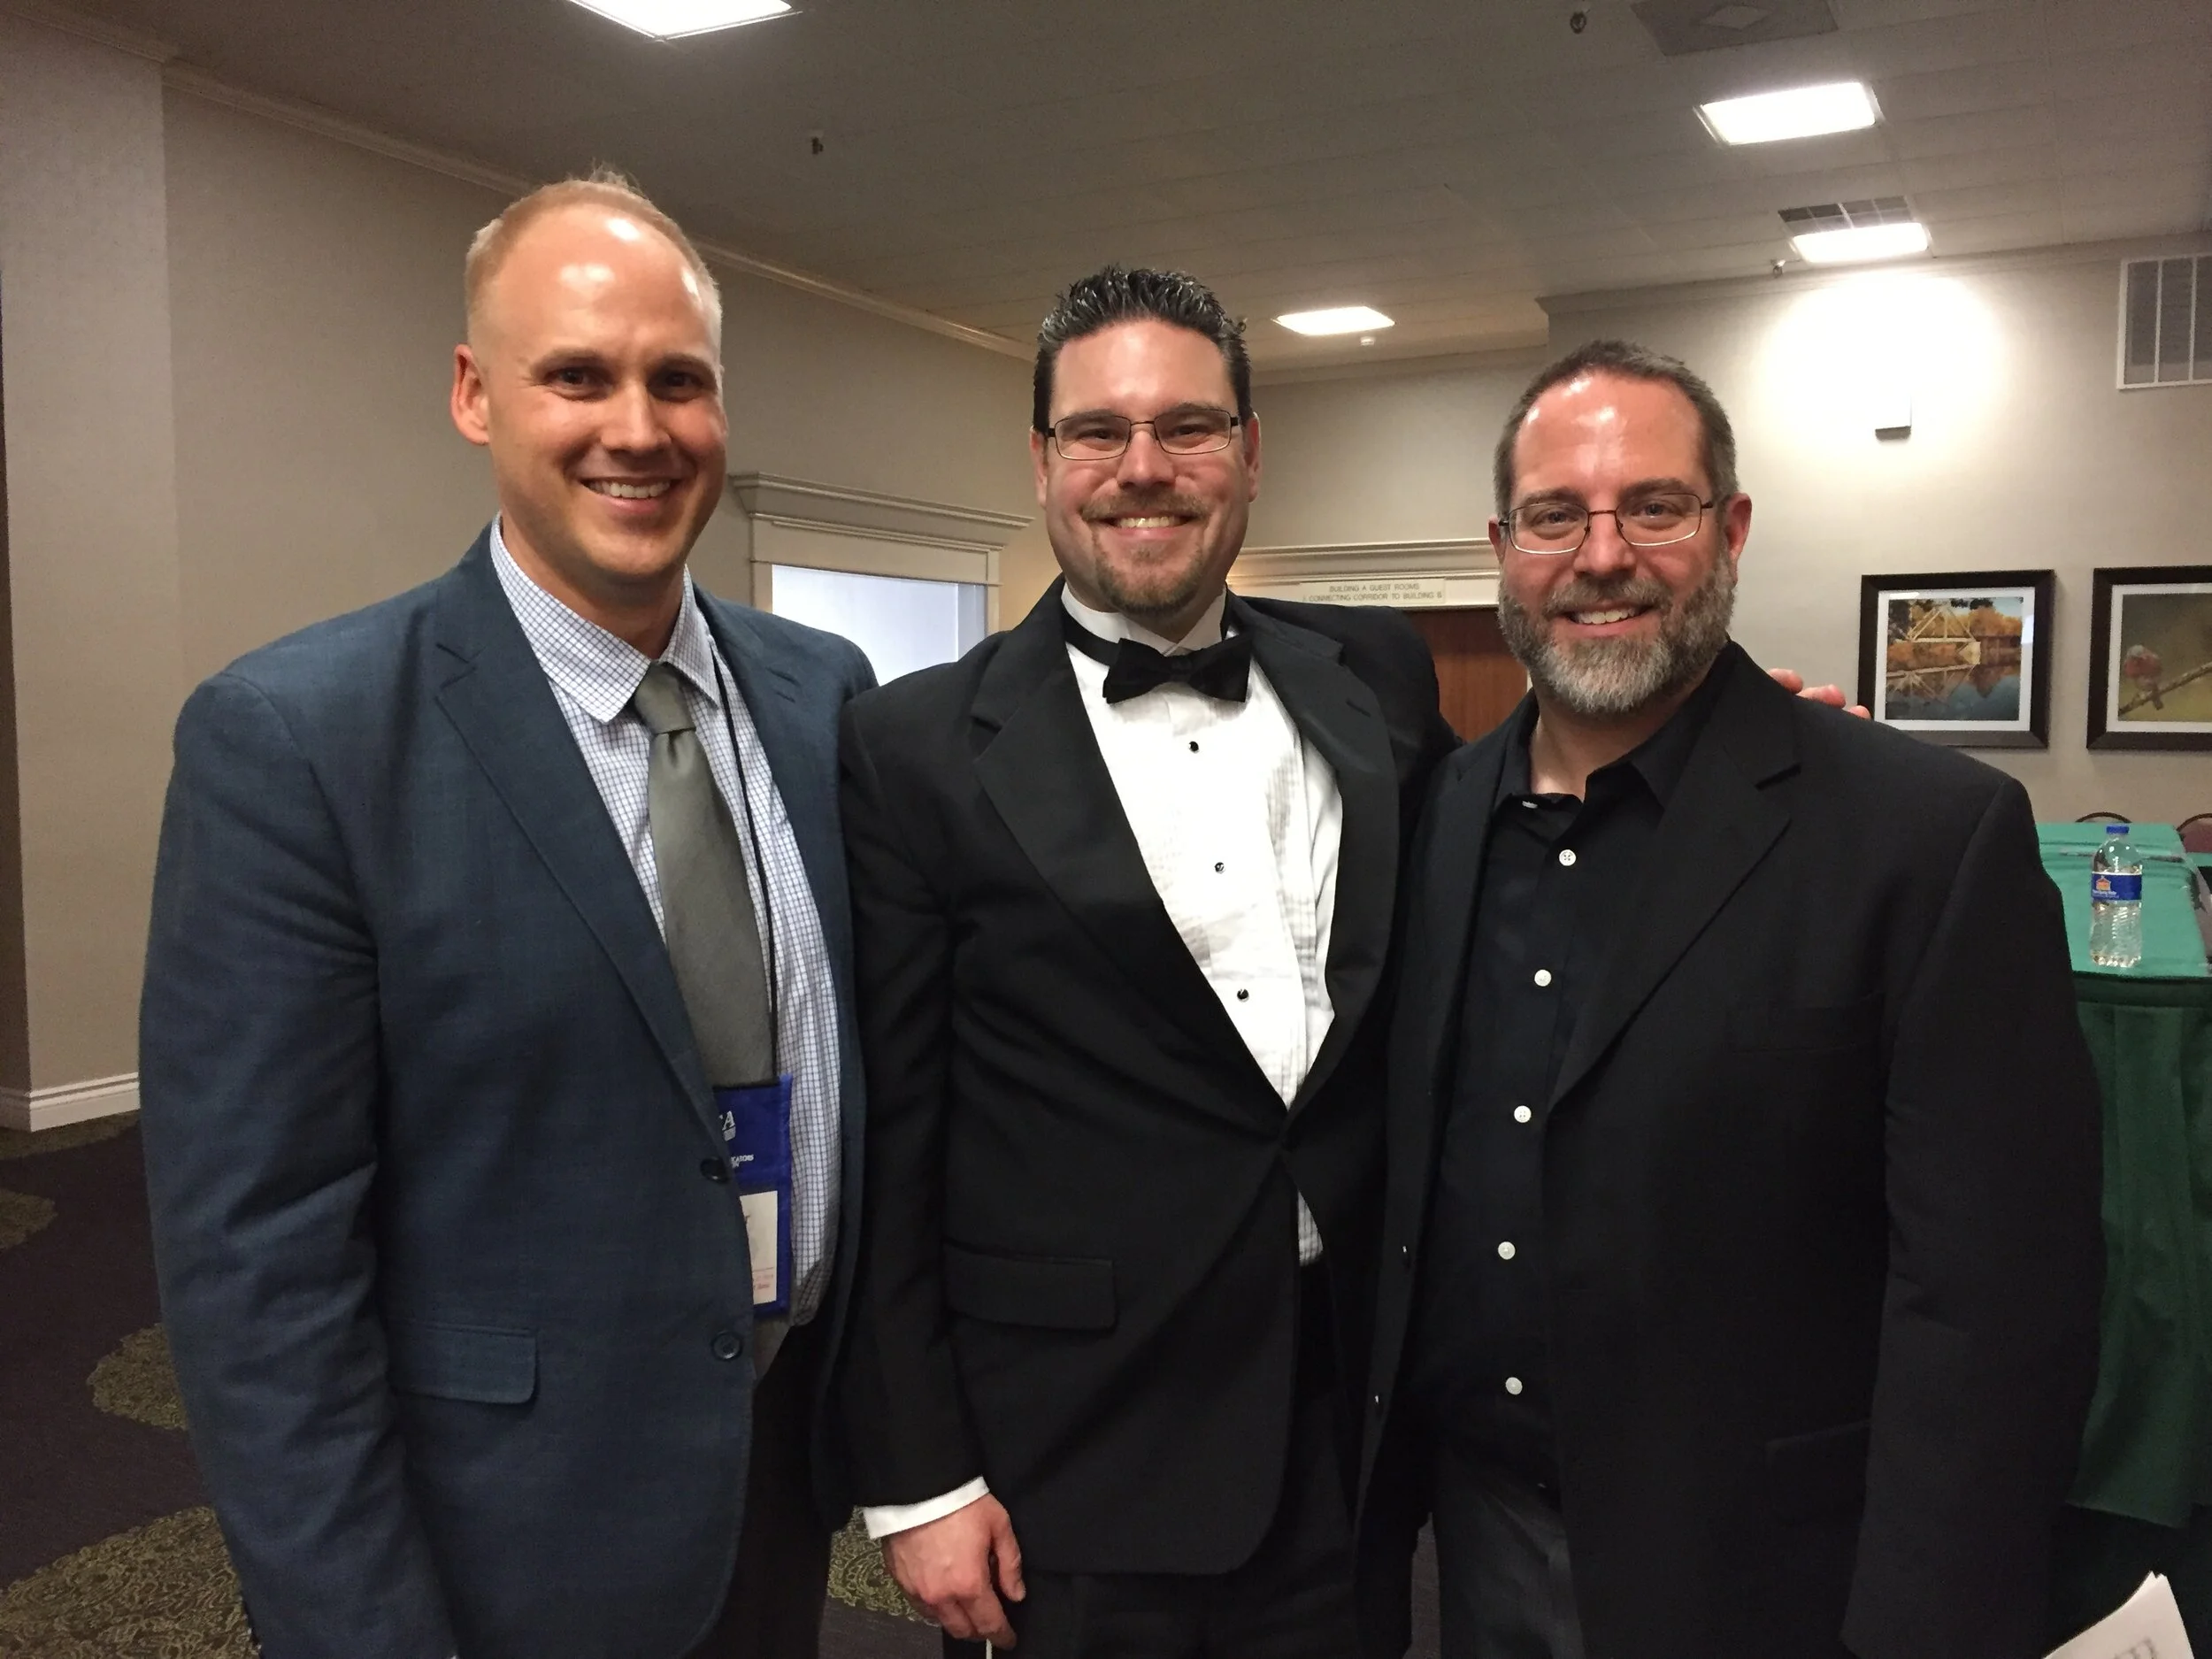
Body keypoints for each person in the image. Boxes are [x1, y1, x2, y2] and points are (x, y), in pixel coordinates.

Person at [138, 172, 873, 1659]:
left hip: (785, 1476)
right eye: (577, 376)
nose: (638, 427)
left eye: (680, 380)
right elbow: (258, 1277)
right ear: (476, 395)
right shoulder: (302, 740)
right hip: (506, 1542)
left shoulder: (824, 697)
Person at [1358, 339, 2105, 1659]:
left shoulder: (1922, 836)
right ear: (1502, 543)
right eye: (1555, 515)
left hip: (1776, 1573)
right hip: (1481, 1546)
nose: (1603, 555)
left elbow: (1995, 1306)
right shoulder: (1433, 817)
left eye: (1655, 506)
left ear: (1733, 528)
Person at [834, 265, 1459, 1657]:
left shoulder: (1380, 676)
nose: (1144, 468)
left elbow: (1523, 858)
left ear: (1250, 449)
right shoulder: (916, 747)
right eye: (1098, 431)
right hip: (1071, 1457)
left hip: (1348, 1421)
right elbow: (892, 1131)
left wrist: (1699, 737)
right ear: (1044, 460)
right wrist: (919, 1474)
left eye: (1187, 425)